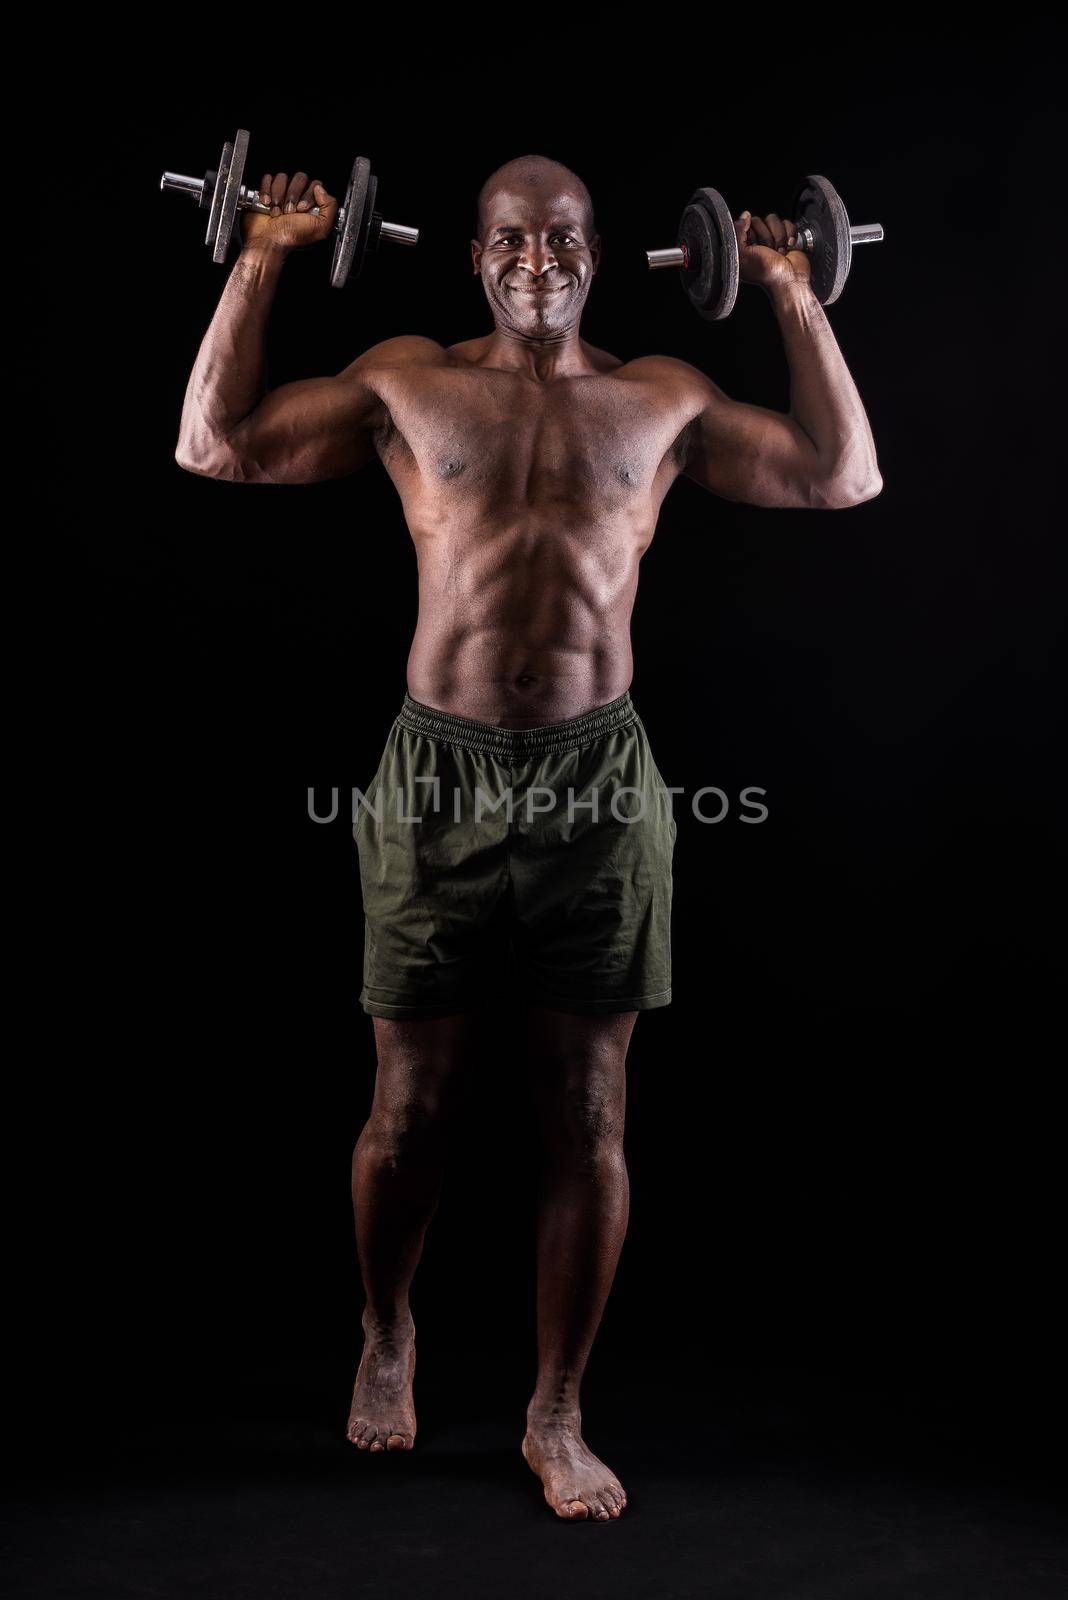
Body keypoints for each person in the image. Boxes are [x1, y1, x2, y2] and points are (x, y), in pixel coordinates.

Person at [176, 152, 881, 1521]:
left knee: (587, 1113)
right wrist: (260, 253)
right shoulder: (406, 382)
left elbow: (841, 477)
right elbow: (217, 444)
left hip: (599, 781)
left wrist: (795, 291)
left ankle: (555, 1411)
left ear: (602, 253)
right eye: (512, 241)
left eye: (561, 241)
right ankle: (389, 1328)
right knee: (409, 1115)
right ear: (477, 255)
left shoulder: (660, 399)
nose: (537, 263)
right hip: (431, 775)